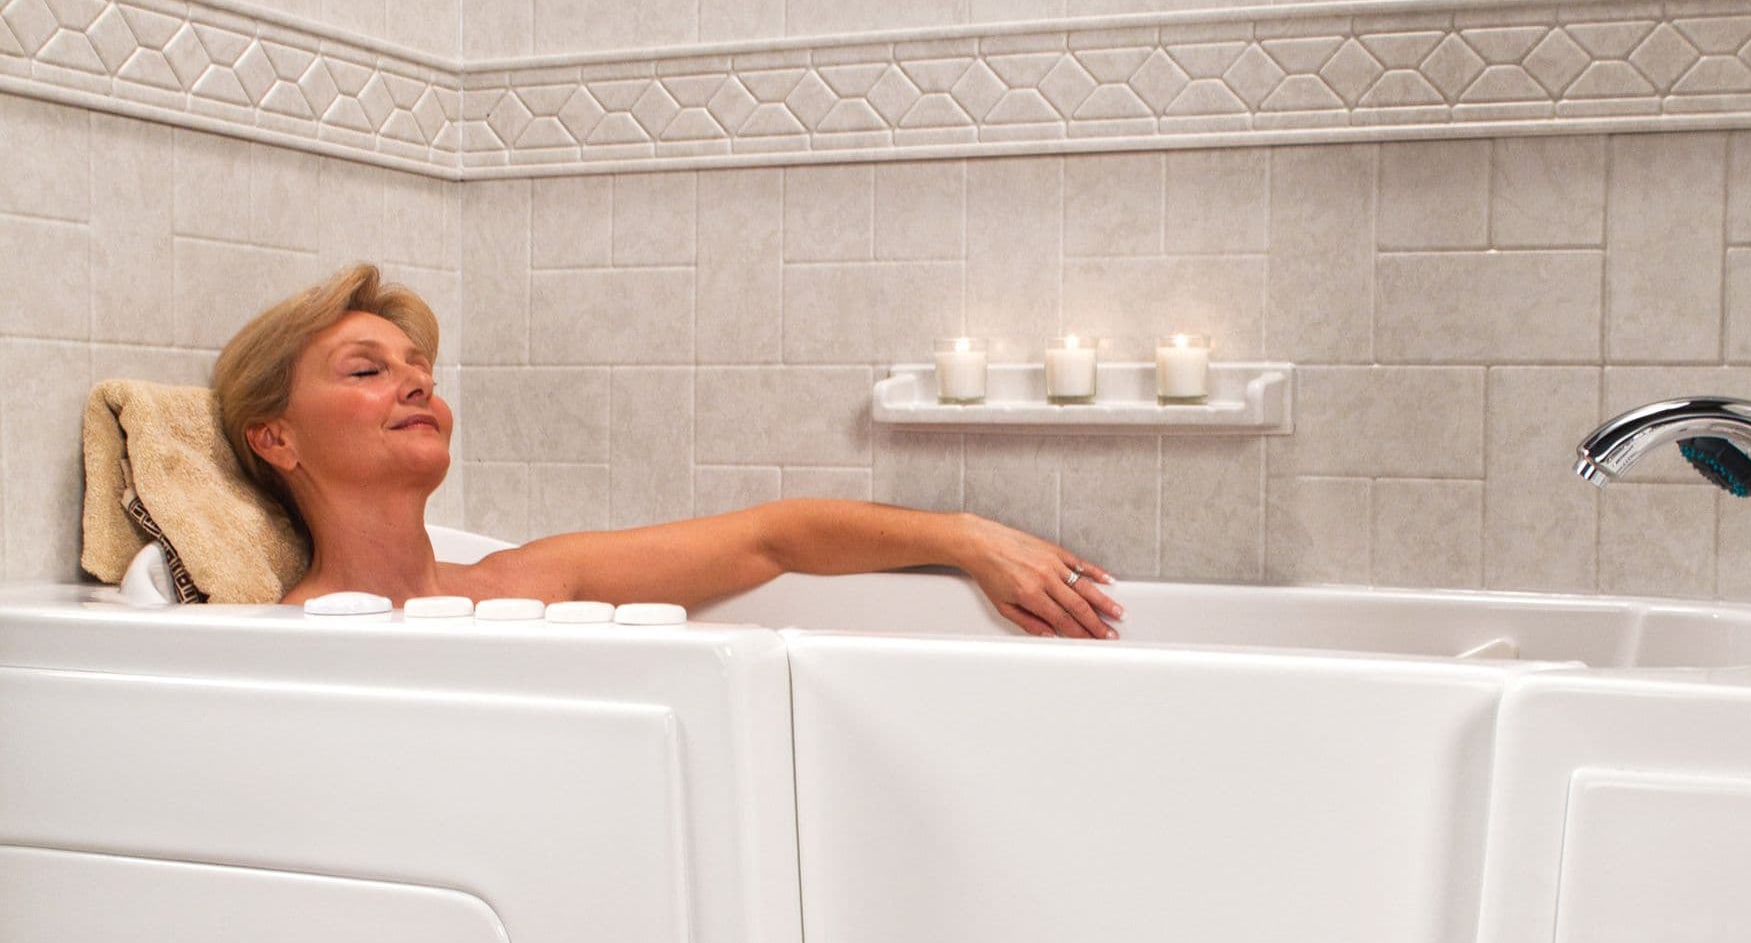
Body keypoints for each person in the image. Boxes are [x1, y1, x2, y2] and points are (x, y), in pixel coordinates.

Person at [213, 263, 1123, 638]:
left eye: (422, 369)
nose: (416, 384)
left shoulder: (526, 582)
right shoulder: (289, 639)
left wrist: (969, 539)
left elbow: (776, 538)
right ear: (276, 436)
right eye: (367, 370)